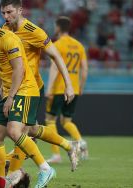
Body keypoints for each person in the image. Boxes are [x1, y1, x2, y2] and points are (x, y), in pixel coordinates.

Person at [0, 10, 55, 188]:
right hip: (10, 92)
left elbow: (19, 70)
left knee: (15, 131)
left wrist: (10, 97)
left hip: (24, 90)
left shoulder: (8, 38)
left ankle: (45, 169)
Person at [0, 0, 79, 175]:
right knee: (31, 130)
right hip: (13, 87)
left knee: (19, 131)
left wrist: (69, 85)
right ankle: (68, 145)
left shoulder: (33, 32)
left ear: (20, 10)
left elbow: (56, 56)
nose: (6, 17)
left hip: (30, 87)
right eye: (3, 13)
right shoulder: (4, 30)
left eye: (9, 12)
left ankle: (13, 174)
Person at [45, 16, 89, 163]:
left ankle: (56, 155)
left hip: (59, 88)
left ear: (58, 27)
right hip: (74, 89)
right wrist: (81, 87)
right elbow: (84, 70)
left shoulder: (57, 45)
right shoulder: (79, 45)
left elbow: (54, 68)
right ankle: (80, 141)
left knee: (50, 120)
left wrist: (49, 88)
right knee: (66, 121)